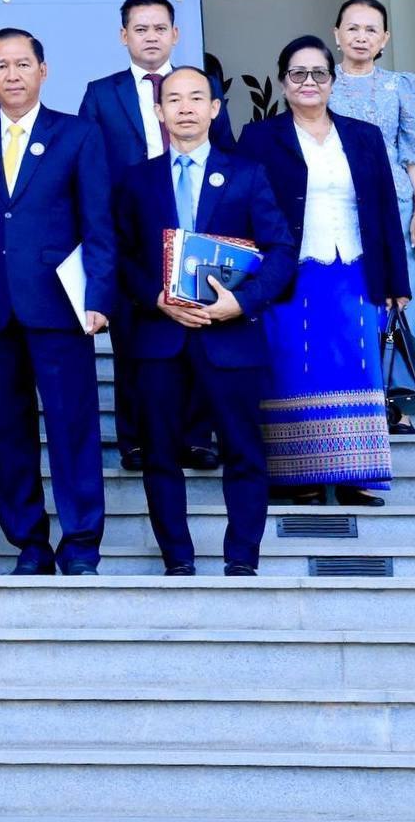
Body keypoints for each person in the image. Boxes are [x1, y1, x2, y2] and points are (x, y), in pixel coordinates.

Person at [112, 67, 297, 575]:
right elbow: (121, 255)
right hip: (160, 335)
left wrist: (243, 302)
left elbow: (281, 250)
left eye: (197, 98)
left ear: (215, 109)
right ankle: (178, 561)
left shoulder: (247, 174)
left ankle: (242, 560)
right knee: (159, 453)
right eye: (174, 100)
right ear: (159, 111)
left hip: (231, 335)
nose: (186, 108)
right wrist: (155, 298)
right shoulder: (136, 179)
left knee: (243, 450)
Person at [0, 28, 116, 575]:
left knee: (73, 428)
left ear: (43, 71)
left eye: (23, 64)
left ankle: (81, 544)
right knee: (10, 434)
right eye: (2, 66)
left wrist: (98, 295)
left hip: (60, 308)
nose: (13, 75)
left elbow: (99, 223)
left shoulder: (77, 135)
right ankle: (29, 543)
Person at [239, 36, 409, 507]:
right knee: (296, 368)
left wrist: (397, 282)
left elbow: (385, 210)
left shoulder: (363, 135)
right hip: (288, 274)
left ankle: (356, 475)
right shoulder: (259, 138)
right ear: (282, 82)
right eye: (298, 73)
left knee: (357, 367)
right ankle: (299, 478)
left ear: (332, 81)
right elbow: (243, 207)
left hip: (355, 271)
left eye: (318, 73)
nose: (308, 82)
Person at [79, 0, 235, 473]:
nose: (151, 37)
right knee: (134, 338)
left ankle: (197, 437)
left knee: (200, 331)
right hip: (132, 232)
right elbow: (89, 166)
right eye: (140, 29)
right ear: (124, 35)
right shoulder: (101, 94)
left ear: (175, 34)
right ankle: (137, 440)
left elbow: (226, 153)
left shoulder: (201, 88)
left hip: (196, 226)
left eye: (160, 28)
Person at [327, 0, 415, 422]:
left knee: (399, 302)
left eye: (371, 29)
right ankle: (355, 393)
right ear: (337, 34)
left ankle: (399, 400)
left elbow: (413, 153)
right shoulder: (320, 82)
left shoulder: (400, 85)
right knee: (352, 297)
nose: (361, 36)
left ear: (385, 38)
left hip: (396, 207)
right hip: (340, 205)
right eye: (352, 28)